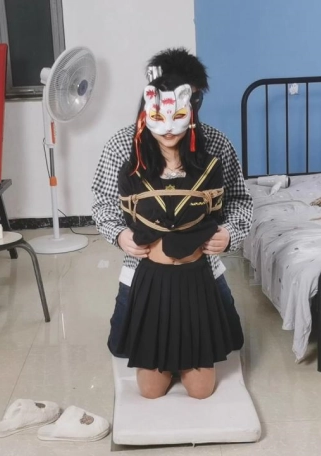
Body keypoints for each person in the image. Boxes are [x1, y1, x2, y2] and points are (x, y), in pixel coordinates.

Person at [90, 48, 253, 385]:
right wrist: (120, 235)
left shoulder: (216, 144)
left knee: (230, 341)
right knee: (121, 346)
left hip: (201, 268)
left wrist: (229, 234)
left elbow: (240, 200)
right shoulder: (123, 145)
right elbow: (103, 203)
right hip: (144, 269)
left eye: (191, 97)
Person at [112, 75, 236, 399]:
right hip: (152, 280)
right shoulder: (132, 170)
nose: (168, 128)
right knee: (150, 391)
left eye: (177, 116)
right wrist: (120, 235)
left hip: (196, 279)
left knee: (201, 391)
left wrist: (227, 234)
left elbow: (228, 209)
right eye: (158, 117)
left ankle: (186, 359)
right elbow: (114, 212)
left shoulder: (210, 166)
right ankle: (164, 360)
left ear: (191, 114)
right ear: (145, 118)